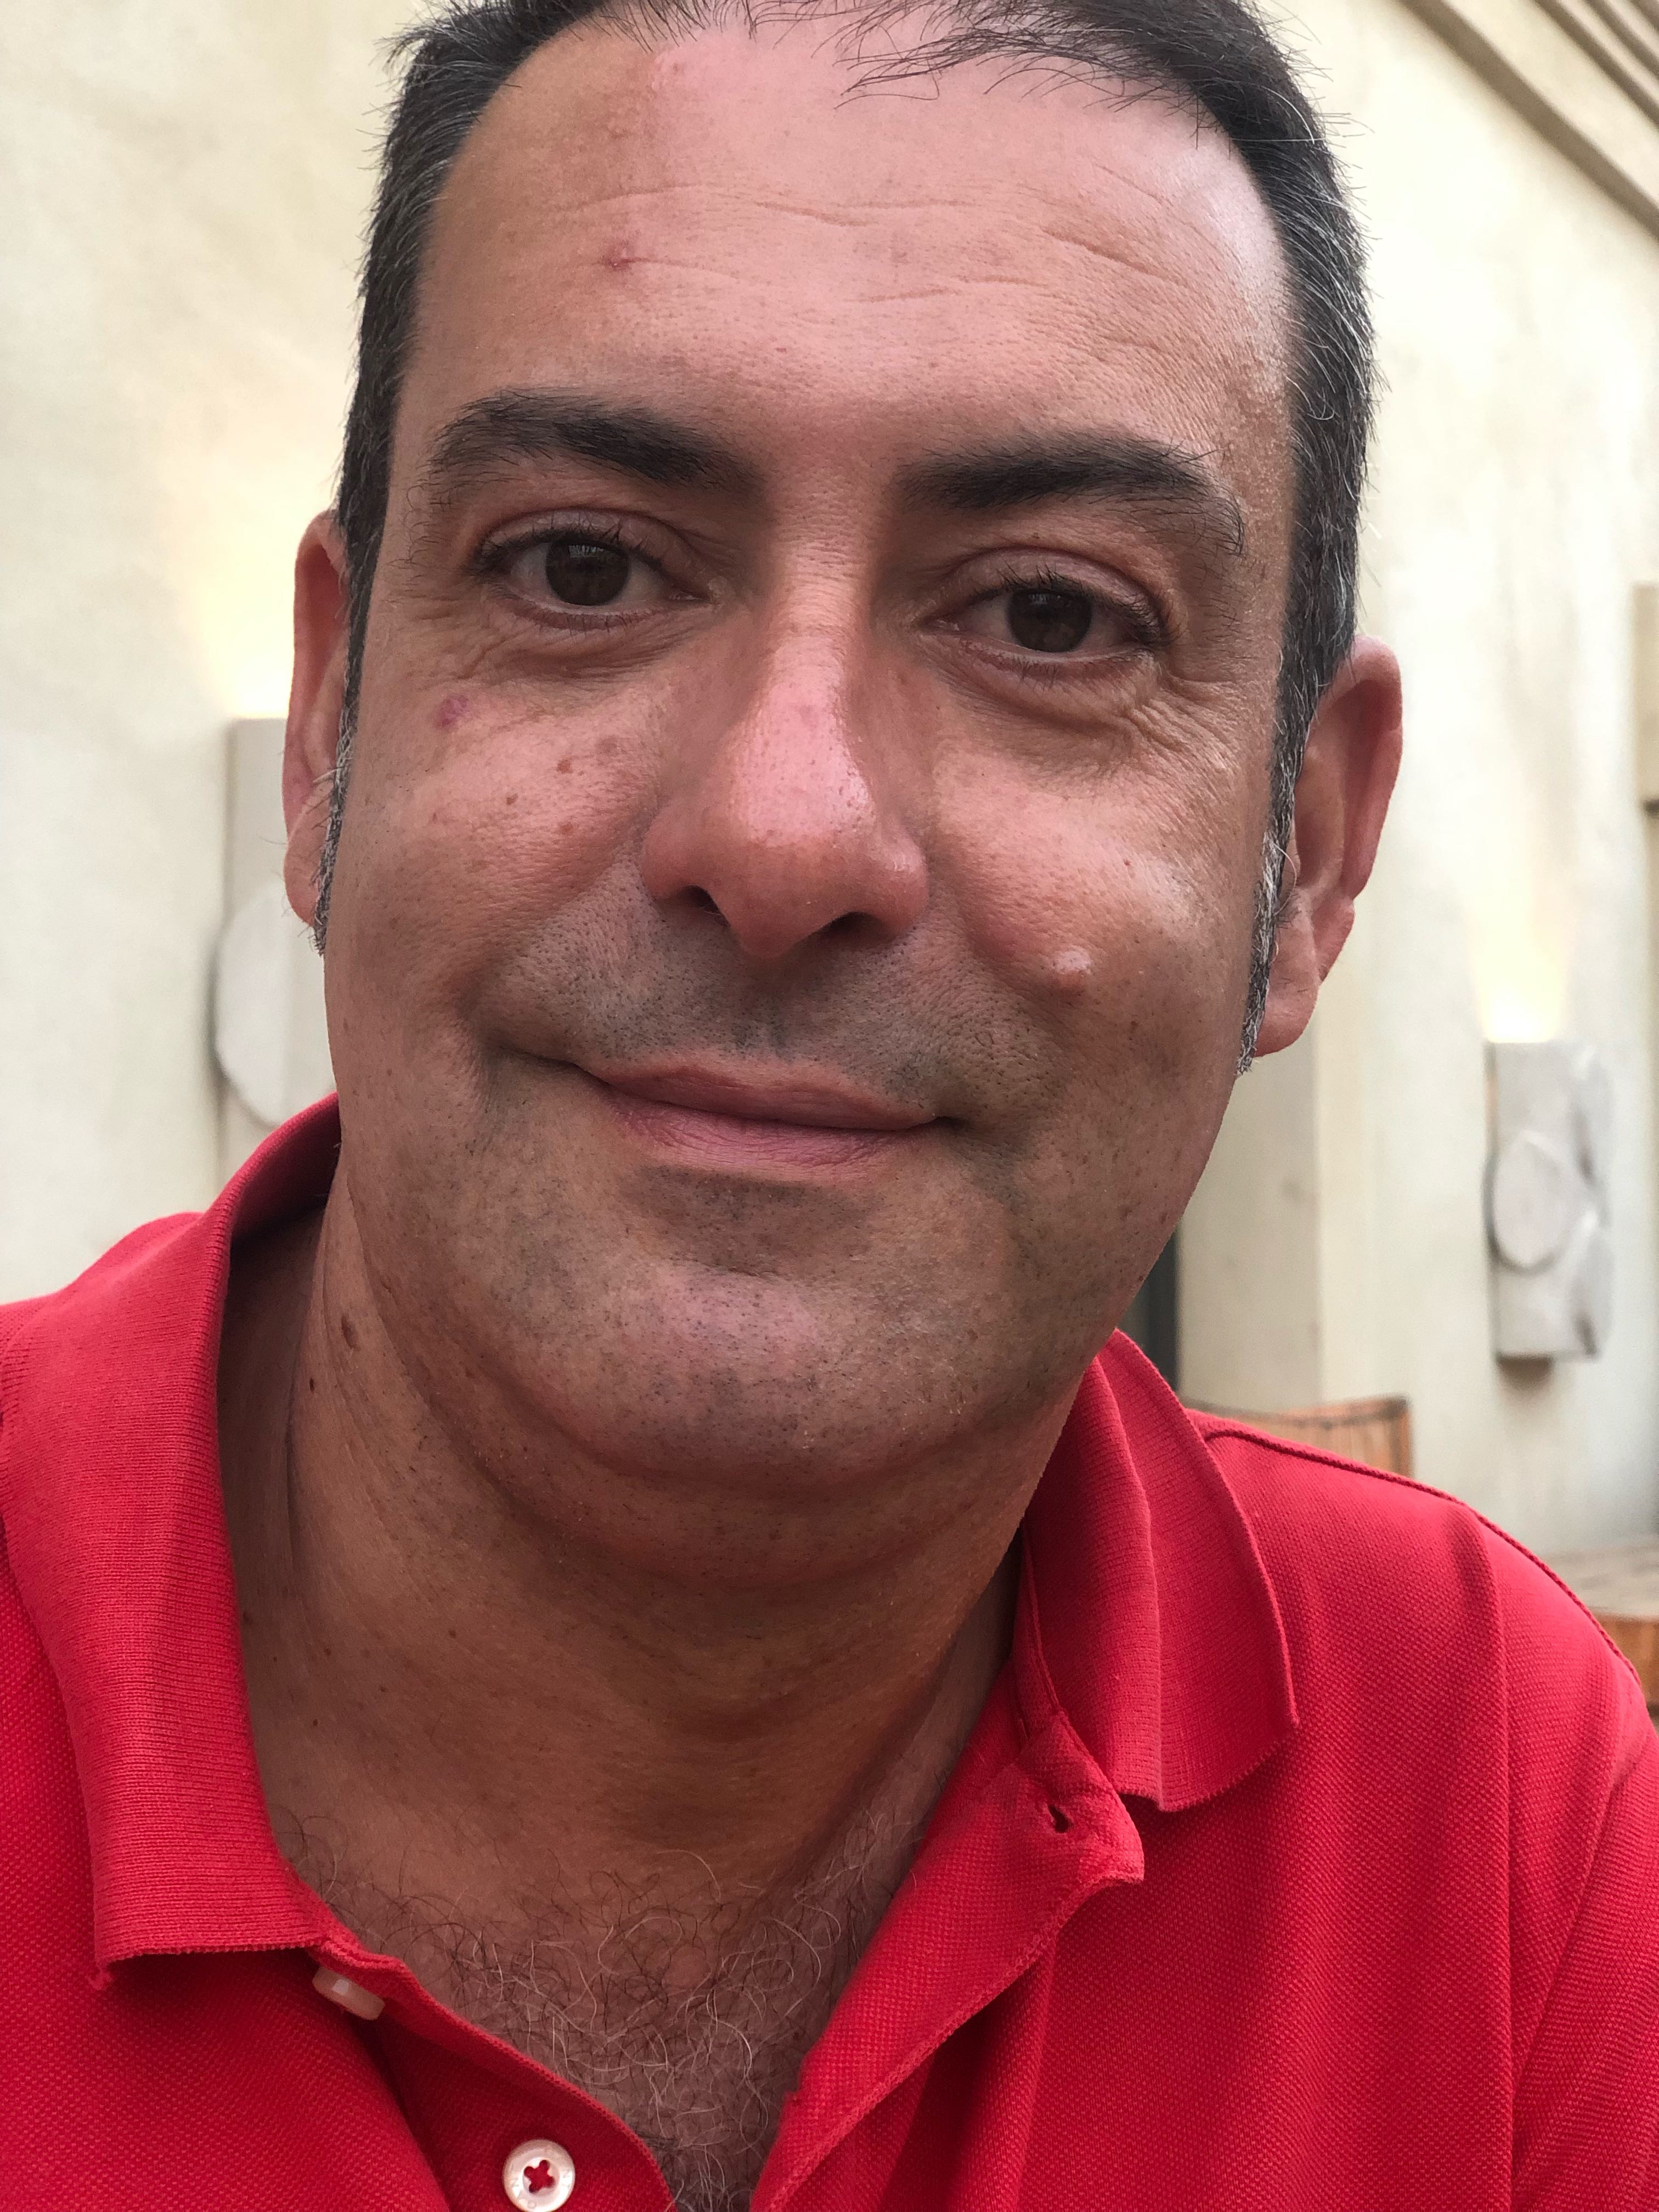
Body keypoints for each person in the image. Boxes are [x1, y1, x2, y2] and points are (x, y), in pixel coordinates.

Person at [3, 0, 1655, 2205]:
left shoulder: (1499, 1797)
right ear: (330, 733)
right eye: (584, 567)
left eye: (1051, 615)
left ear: (1311, 858)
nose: (784, 837)